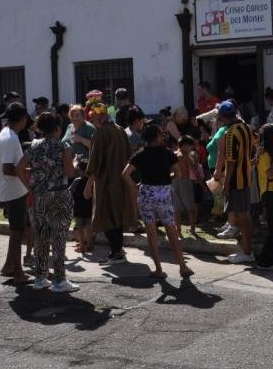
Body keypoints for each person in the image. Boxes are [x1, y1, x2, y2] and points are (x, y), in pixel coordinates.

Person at [18, 111, 78, 292]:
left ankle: (40, 277)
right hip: (59, 194)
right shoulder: (63, 146)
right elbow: (69, 173)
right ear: (58, 128)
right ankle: (59, 280)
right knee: (59, 236)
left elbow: (19, 168)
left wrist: (29, 187)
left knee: (41, 236)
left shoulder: (33, 146)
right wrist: (74, 163)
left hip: (39, 195)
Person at [124, 123, 193, 280]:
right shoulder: (167, 153)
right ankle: (182, 266)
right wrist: (167, 180)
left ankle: (158, 269)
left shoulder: (140, 154)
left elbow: (125, 174)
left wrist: (135, 187)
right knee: (171, 230)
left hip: (146, 193)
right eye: (161, 134)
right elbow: (178, 173)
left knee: (151, 233)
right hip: (164, 193)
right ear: (157, 137)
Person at [85, 102, 138, 265]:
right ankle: (118, 249)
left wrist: (88, 186)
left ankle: (116, 253)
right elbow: (131, 154)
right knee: (118, 216)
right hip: (121, 181)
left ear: (99, 117)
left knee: (105, 216)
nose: (92, 121)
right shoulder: (120, 130)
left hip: (106, 183)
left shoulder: (100, 134)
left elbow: (95, 164)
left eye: (93, 117)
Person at [0, 103, 32, 282]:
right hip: (13, 190)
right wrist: (28, 170)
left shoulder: (7, 134)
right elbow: (8, 168)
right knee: (17, 232)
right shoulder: (10, 138)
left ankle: (9, 266)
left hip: (15, 189)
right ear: (22, 118)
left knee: (19, 229)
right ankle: (18, 272)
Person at [214, 100, 255, 264]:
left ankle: (247, 252)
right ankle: (246, 250)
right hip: (246, 177)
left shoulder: (230, 133)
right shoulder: (246, 127)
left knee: (242, 217)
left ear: (223, 117)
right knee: (244, 216)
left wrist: (226, 184)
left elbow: (230, 161)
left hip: (237, 181)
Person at [254, 124, 273, 270]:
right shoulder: (264, 155)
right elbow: (270, 173)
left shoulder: (272, 153)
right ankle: (264, 261)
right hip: (270, 193)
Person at [173, 136, 201, 237]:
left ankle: (178, 230)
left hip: (174, 182)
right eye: (190, 146)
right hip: (184, 182)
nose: (191, 148)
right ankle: (192, 229)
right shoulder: (185, 155)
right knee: (191, 207)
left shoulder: (174, 154)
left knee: (176, 209)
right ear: (184, 146)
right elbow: (193, 168)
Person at [70, 157, 93, 253]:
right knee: (88, 227)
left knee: (79, 228)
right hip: (89, 208)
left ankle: (82, 244)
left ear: (80, 170)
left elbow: (70, 191)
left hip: (78, 209)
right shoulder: (92, 182)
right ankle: (89, 244)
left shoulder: (77, 181)